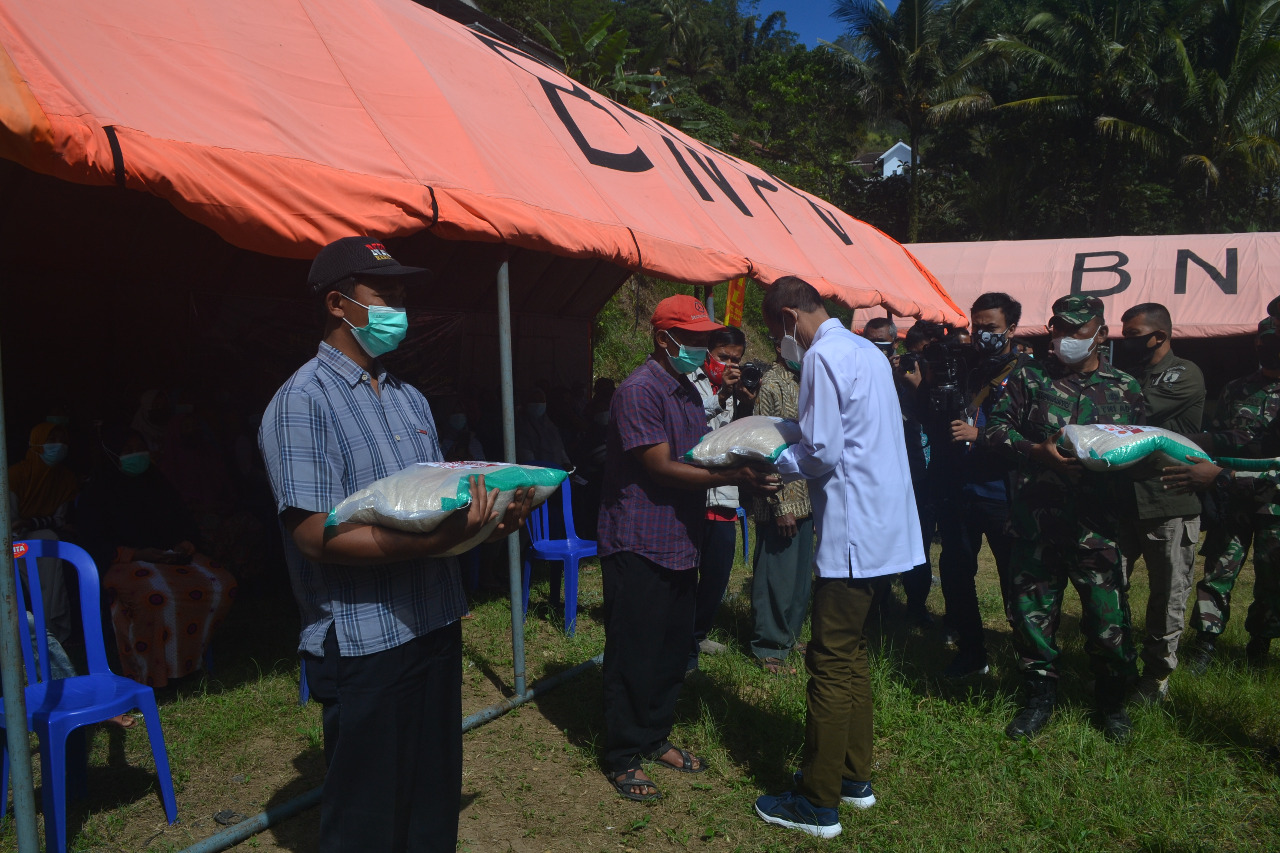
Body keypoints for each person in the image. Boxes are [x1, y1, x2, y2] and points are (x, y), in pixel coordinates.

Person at [258, 236, 533, 852]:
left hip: (433, 619)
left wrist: (486, 523)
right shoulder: (302, 403)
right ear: (337, 304)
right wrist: (435, 544)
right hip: (366, 637)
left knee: (431, 792)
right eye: (385, 295)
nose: (399, 309)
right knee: (369, 812)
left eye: (403, 296)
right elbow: (314, 536)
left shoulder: (411, 399)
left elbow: (431, 505)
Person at [754, 278, 923, 839]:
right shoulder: (865, 350)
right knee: (851, 655)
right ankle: (853, 777)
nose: (779, 343)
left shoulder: (823, 356)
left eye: (775, 331)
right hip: (884, 525)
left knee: (828, 661)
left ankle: (817, 802)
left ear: (787, 317)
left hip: (854, 532)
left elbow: (821, 451)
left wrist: (770, 459)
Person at [597, 294, 778, 803]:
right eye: (695, 339)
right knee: (635, 651)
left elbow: (701, 452)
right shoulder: (639, 390)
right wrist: (734, 476)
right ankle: (623, 753)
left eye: (705, 338)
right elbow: (659, 467)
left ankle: (655, 736)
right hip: (640, 538)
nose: (703, 347)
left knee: (672, 648)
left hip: (680, 538)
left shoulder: (685, 390)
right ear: (664, 338)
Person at [986, 295, 1146, 742]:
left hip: (1097, 527)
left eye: (1077, 330)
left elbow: (1141, 447)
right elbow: (995, 430)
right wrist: (1036, 451)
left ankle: (1112, 703)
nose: (1066, 338)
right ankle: (1039, 698)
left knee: (1108, 619)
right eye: (1059, 328)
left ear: (1101, 334)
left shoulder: (1125, 388)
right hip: (1037, 521)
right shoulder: (1030, 376)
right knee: (1031, 616)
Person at [74, 426, 237, 688]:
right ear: (113, 456)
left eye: (140, 449)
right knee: (154, 596)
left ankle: (191, 658)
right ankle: (152, 671)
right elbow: (92, 542)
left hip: (167, 557)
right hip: (122, 562)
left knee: (222, 583)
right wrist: (136, 553)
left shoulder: (157, 482)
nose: (136, 455)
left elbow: (182, 520)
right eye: (128, 450)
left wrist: (185, 543)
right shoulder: (98, 491)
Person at [1113, 303, 1205, 702]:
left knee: (1167, 595)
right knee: (1111, 587)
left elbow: (1134, 413)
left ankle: (1156, 677)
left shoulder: (1183, 373)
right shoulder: (1128, 375)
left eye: (1133, 335)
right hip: (1122, 499)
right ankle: (1116, 663)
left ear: (1160, 336)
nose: (1126, 342)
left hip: (1168, 499)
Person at [936, 292, 1030, 679]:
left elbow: (1037, 437)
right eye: (977, 327)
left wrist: (981, 435)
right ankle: (971, 651)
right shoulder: (970, 369)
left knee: (1017, 579)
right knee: (956, 573)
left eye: (991, 327)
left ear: (1011, 328)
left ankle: (1030, 657)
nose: (982, 334)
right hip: (962, 490)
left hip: (1004, 495)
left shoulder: (1029, 374)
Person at [1179, 316, 1280, 671]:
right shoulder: (1237, 389)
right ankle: (1205, 642)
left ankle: (1260, 644)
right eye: (1265, 340)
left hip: (1274, 502)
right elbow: (1219, 439)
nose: (1270, 347)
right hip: (1232, 498)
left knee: (1272, 575)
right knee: (1218, 570)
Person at [687, 324, 756, 670]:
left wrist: (746, 402)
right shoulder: (688, 382)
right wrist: (721, 397)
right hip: (693, 491)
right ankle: (681, 641)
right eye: (723, 357)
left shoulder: (736, 389)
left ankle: (698, 633)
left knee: (717, 573)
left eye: (736, 360)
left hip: (725, 494)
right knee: (687, 573)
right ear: (708, 354)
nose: (730, 365)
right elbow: (690, 423)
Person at [749, 337, 813, 675]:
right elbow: (764, 447)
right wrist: (778, 504)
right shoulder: (771, 385)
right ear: (779, 346)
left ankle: (789, 635)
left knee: (799, 579)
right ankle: (769, 645)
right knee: (776, 576)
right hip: (781, 498)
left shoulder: (805, 381)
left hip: (807, 495)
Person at [9, 421, 78, 644]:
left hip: (37, 534)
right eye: (51, 440)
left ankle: (52, 628)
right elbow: (10, 524)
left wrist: (31, 522)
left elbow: (59, 520)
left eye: (62, 440)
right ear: (37, 443)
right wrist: (29, 524)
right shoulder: (16, 475)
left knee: (50, 542)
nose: (58, 445)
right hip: (12, 539)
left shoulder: (66, 478)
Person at [516, 388, 572, 469]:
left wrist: (567, 463)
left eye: (541, 401)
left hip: (558, 471)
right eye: (534, 401)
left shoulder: (550, 426)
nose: (538, 404)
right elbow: (527, 458)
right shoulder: (523, 428)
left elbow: (560, 449)